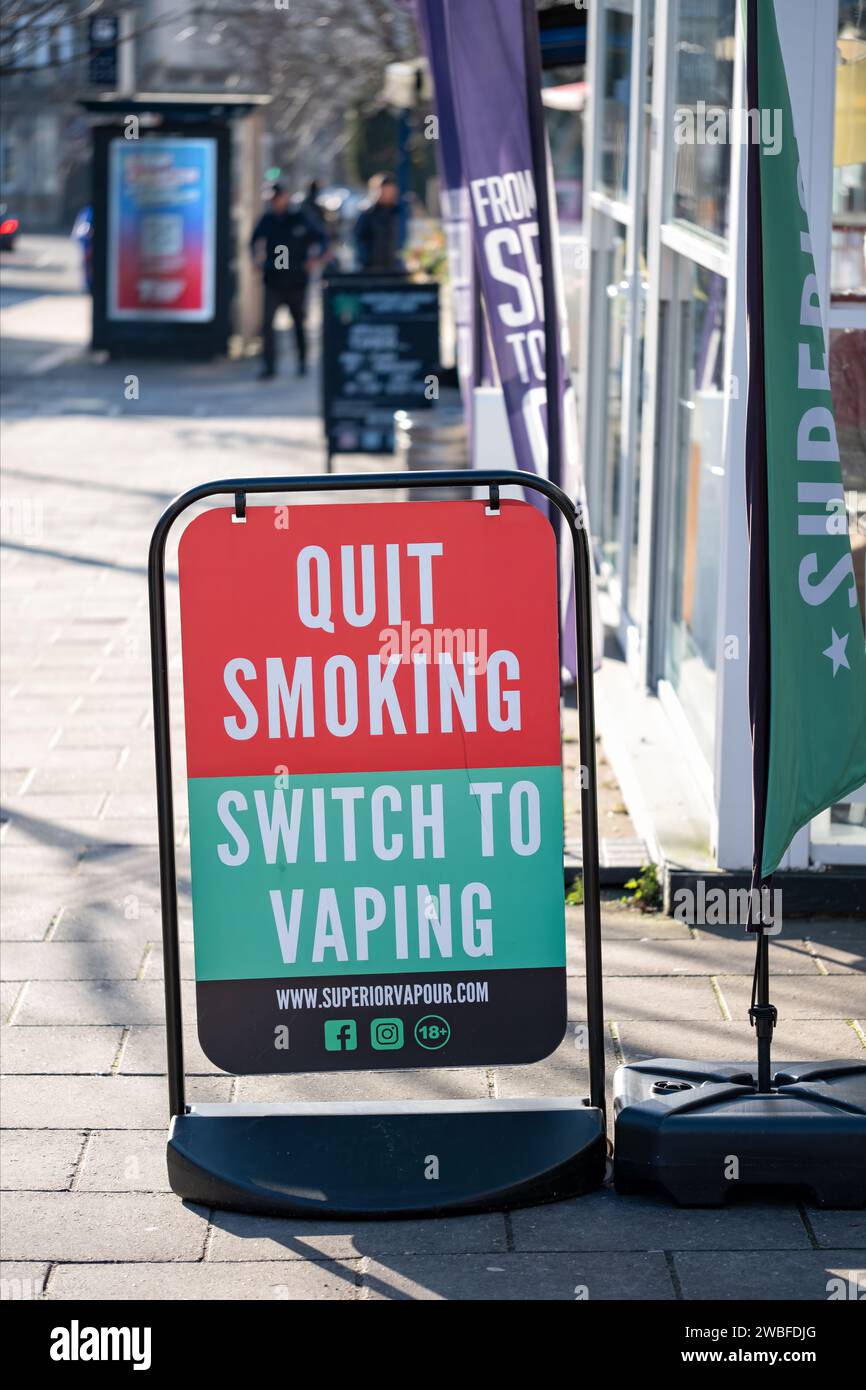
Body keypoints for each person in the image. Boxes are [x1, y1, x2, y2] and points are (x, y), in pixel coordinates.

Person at [250, 184, 326, 379]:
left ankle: (302, 362)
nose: (275, 202)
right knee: (268, 324)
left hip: (296, 280)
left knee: (299, 322)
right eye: (272, 199)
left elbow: (321, 237)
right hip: (274, 279)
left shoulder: (299, 218)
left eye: (278, 198)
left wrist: (314, 258)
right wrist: (256, 258)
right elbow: (254, 239)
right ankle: (269, 366)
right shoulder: (268, 219)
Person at [353, 173, 403, 273]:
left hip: (395, 267)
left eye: (391, 190)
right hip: (371, 268)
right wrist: (364, 258)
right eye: (385, 190)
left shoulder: (399, 211)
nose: (388, 194)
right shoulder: (367, 213)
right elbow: (358, 238)